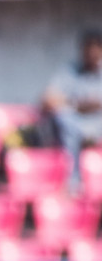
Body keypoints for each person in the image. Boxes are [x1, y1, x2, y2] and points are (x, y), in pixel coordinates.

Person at [43, 29, 102, 190]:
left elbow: (97, 104)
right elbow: (48, 100)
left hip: (98, 125)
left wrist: (91, 105)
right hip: (75, 126)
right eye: (87, 48)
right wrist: (77, 104)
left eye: (96, 48)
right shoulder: (70, 71)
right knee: (64, 118)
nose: (91, 52)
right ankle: (73, 182)